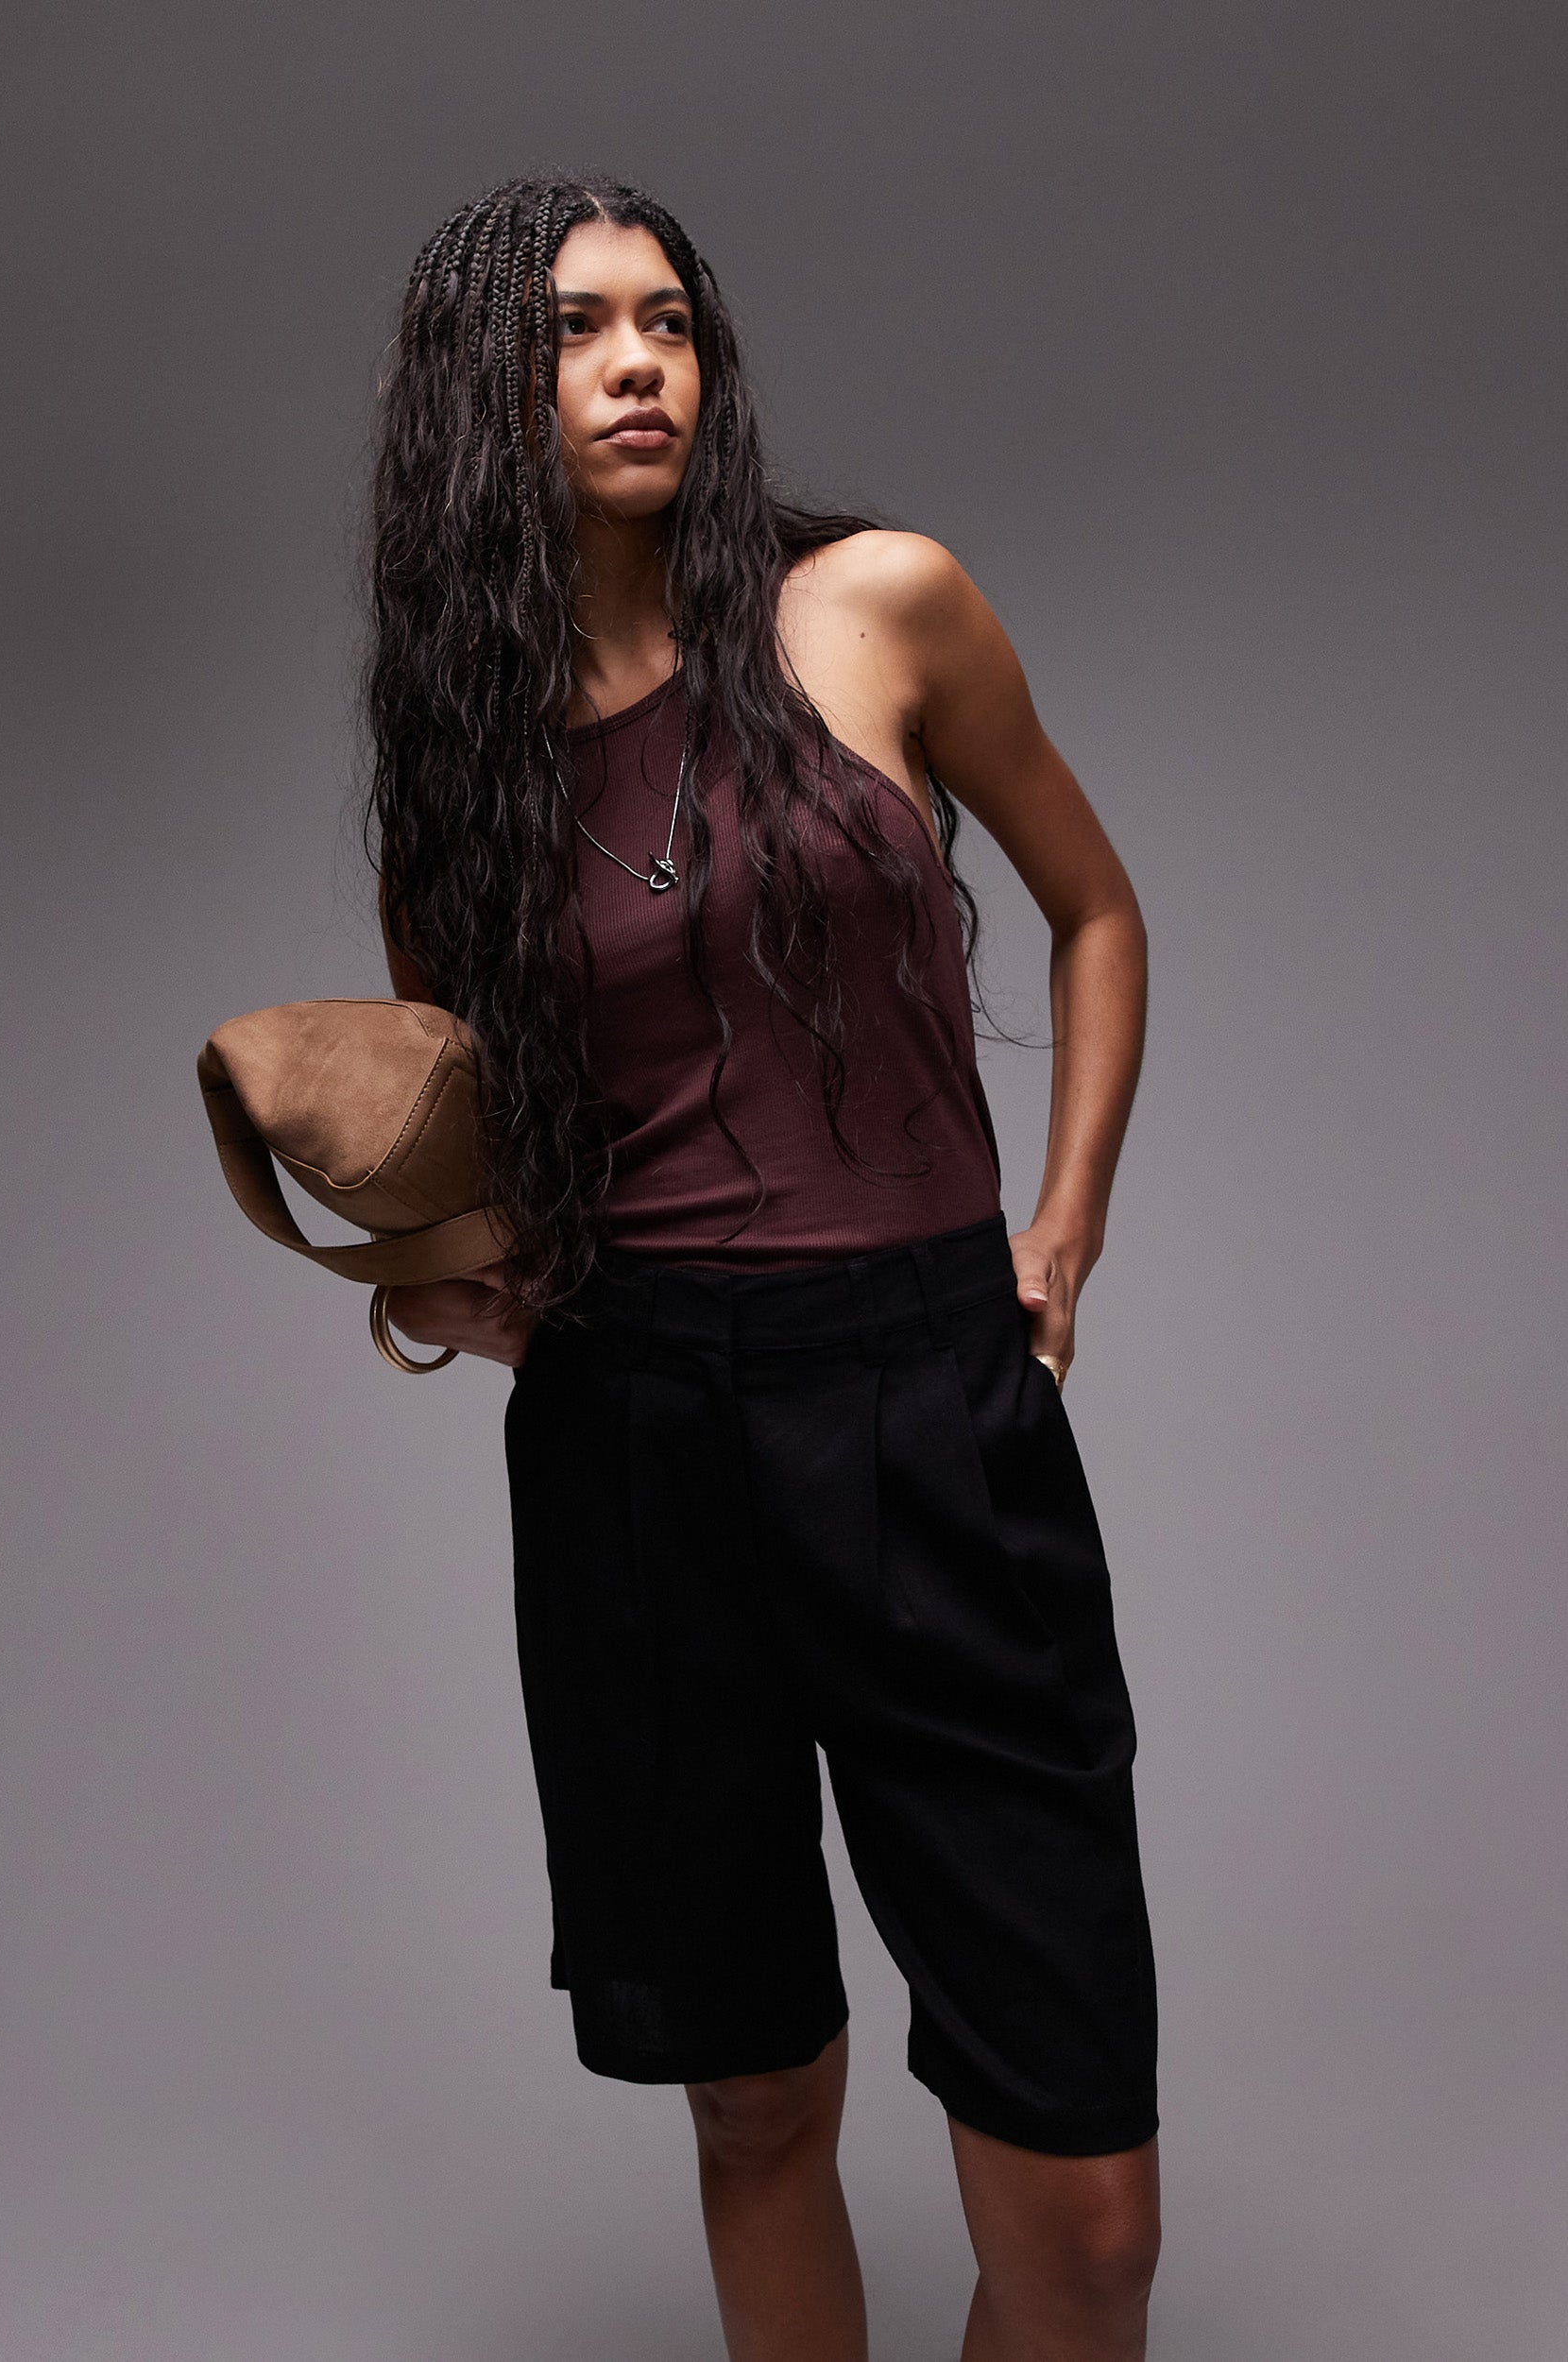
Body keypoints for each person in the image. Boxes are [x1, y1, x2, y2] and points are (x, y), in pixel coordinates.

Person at [365, 172, 1159, 2362]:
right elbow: (481, 1142)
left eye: (666, 320)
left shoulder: (877, 605)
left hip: (926, 1405)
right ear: (475, 394)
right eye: (572, 329)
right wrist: (444, 1276)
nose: (636, 363)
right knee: (749, 2093)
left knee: (1084, 2222)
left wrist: (1060, 1227)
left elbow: (1095, 908)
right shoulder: (458, 774)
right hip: (637, 1444)